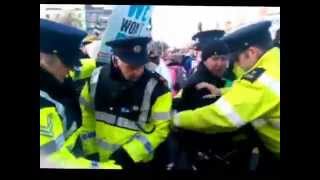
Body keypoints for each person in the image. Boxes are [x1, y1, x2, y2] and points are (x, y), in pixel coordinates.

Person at [172, 21, 280, 174]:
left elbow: (222, 116)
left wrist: (177, 119)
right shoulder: (275, 63)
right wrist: (220, 91)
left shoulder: (263, 78)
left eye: (236, 59)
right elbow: (255, 92)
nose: (237, 65)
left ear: (252, 52)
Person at [79, 37, 172, 169]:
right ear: (116, 60)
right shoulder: (97, 78)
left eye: (140, 66)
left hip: (137, 162)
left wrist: (129, 153)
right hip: (99, 160)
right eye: (131, 67)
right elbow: (87, 116)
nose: (137, 72)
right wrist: (90, 150)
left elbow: (160, 129)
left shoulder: (159, 89)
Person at [40, 19, 121, 169]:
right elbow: (52, 162)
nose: (71, 69)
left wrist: (105, 62)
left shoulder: (52, 74)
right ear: (44, 58)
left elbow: (79, 69)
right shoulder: (42, 107)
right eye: (68, 62)